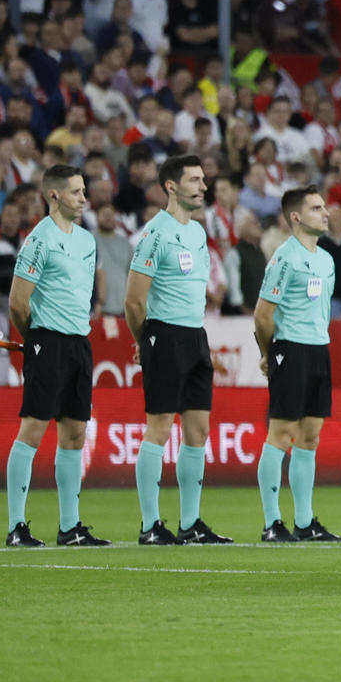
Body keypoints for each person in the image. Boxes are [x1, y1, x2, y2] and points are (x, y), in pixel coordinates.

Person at [127, 154, 230, 545]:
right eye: (194, 180)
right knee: (159, 427)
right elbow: (134, 300)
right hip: (164, 335)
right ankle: (150, 525)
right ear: (171, 186)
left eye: (203, 179)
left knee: (198, 430)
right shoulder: (156, 233)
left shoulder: (198, 233)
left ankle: (190, 523)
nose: (203, 187)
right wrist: (145, 340)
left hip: (195, 336)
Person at [3, 165, 105, 548]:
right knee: (32, 428)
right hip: (47, 340)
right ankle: (17, 527)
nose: (84, 198)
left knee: (75, 433)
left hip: (80, 342)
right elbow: (17, 302)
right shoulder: (38, 240)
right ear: (54, 196)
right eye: (77, 192)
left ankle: (70, 527)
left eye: (84, 191)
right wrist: (36, 339)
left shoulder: (86, 240)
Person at [254, 188, 341, 544]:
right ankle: (272, 522)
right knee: (281, 434)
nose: (326, 212)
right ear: (295, 216)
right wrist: (268, 352)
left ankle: (305, 522)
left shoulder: (325, 259)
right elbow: (263, 315)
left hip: (319, 350)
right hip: (289, 349)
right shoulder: (283, 258)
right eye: (316, 207)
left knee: (309, 437)